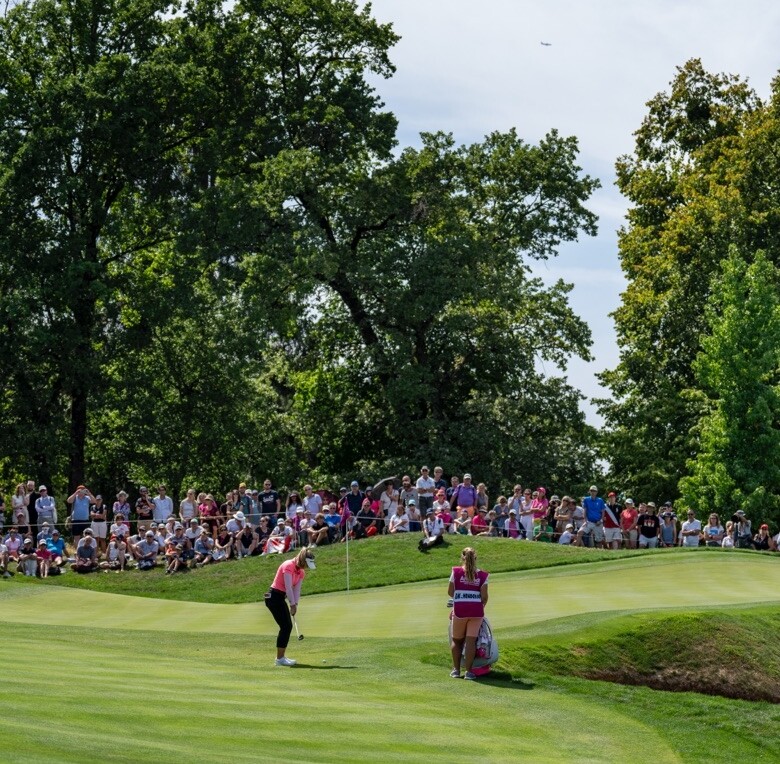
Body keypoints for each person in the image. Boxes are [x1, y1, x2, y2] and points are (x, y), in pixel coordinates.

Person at [264, 546, 316, 666]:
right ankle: (279, 659)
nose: (306, 568)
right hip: (273, 597)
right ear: (303, 560)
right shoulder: (288, 565)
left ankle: (280, 658)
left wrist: (295, 604)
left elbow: (296, 590)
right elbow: (288, 588)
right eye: (306, 564)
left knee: (286, 626)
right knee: (286, 626)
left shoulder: (301, 572)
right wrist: (292, 604)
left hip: (280, 598)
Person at [448, 547, 489, 680]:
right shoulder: (483, 575)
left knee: (457, 640)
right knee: (471, 641)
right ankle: (469, 672)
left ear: (462, 557)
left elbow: (450, 592)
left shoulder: (456, 571)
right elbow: (484, 597)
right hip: (476, 611)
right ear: (475, 558)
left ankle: (456, 670)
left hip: (460, 610)